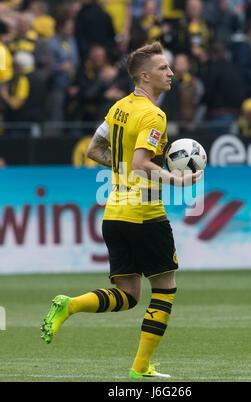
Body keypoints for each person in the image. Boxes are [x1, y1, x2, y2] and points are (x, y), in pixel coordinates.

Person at [41, 41, 202, 379]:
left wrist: (126, 167)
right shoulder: (154, 114)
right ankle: (140, 368)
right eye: (162, 69)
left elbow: (92, 150)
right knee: (165, 288)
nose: (171, 73)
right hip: (145, 212)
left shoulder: (118, 109)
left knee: (128, 295)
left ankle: (70, 305)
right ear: (144, 76)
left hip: (114, 212)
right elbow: (143, 163)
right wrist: (177, 181)